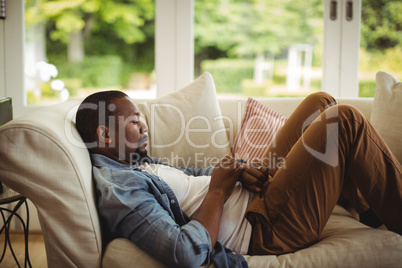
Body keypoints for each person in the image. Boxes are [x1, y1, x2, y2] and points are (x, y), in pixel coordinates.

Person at [75, 90, 402, 268]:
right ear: (105, 132)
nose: (144, 127)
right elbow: (185, 253)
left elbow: (193, 177)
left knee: (321, 103)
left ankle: (365, 207)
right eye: (134, 121)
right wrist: (219, 188)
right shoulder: (120, 190)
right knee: (343, 121)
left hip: (258, 195)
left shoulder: (137, 163)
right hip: (267, 226)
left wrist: (238, 170)